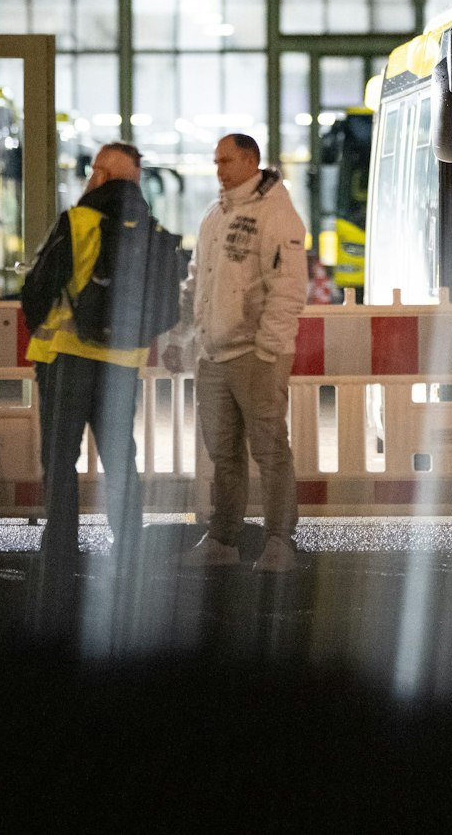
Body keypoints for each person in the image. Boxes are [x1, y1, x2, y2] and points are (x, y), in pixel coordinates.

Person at [173, 134, 308, 574]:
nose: (218, 169)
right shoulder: (217, 213)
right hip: (215, 354)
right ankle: (224, 539)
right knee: (224, 454)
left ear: (250, 160)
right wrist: (189, 334)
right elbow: (198, 280)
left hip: (252, 353)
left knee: (269, 451)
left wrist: (268, 347)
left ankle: (278, 542)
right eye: (216, 161)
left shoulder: (275, 211)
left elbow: (288, 287)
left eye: (226, 161)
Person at [20, 143, 152, 577]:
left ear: (100, 174)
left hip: (67, 358)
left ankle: (60, 549)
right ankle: (130, 544)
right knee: (119, 456)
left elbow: (37, 290)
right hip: (123, 362)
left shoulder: (78, 221)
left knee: (60, 457)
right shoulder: (148, 228)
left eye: (95, 169)